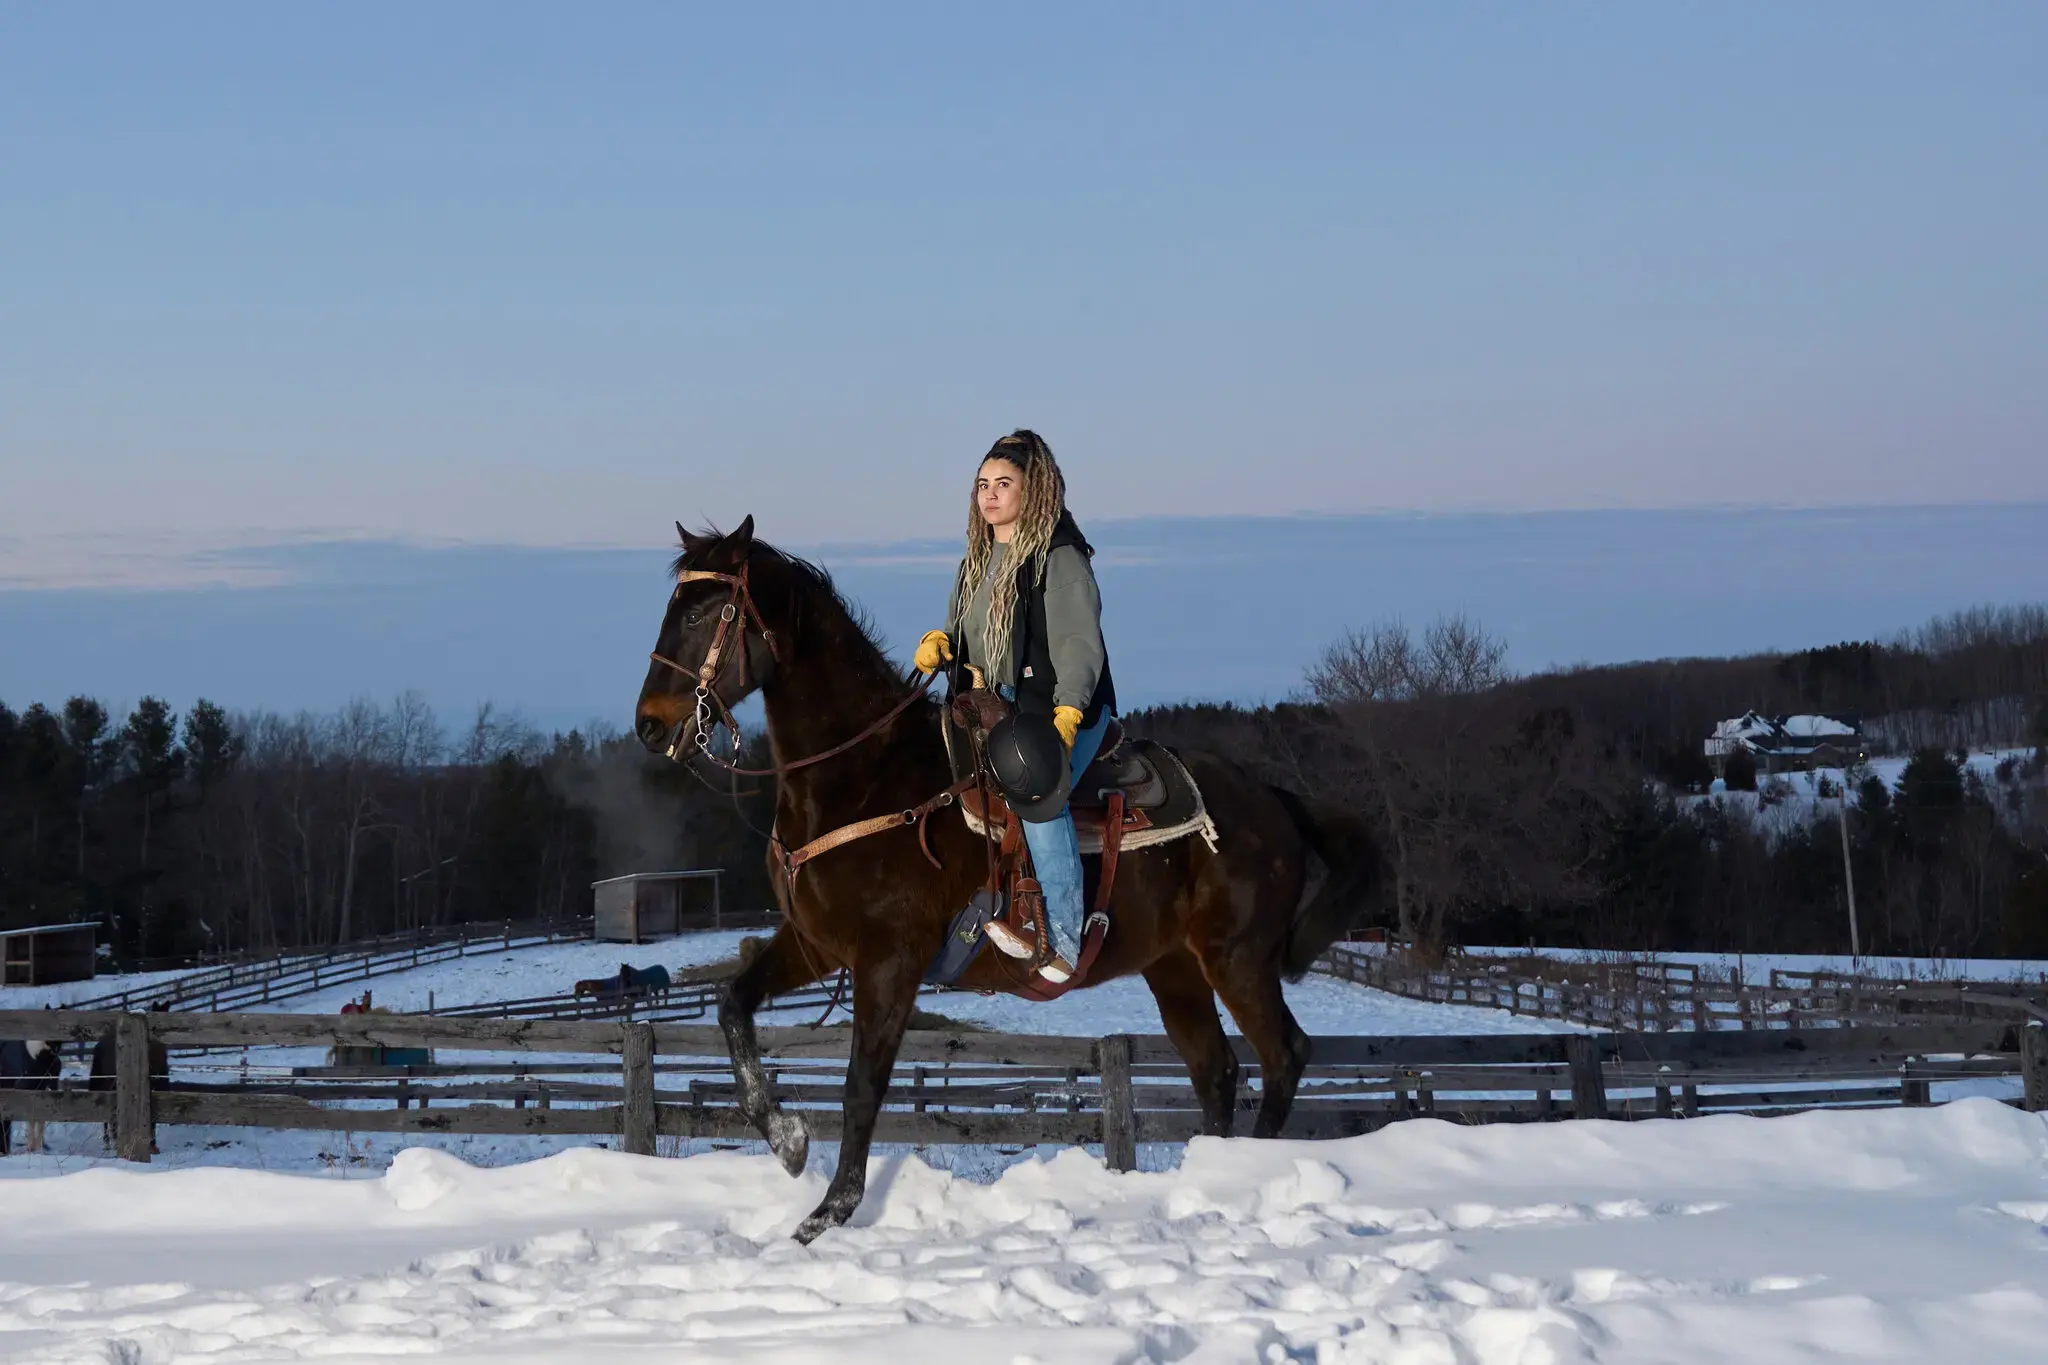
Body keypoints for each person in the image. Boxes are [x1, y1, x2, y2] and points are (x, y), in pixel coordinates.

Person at [915, 430, 1117, 982]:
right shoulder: (976, 561)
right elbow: (972, 638)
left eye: (1004, 484)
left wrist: (1069, 713)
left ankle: (1062, 941)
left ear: (1034, 492)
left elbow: (1079, 643)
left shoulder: (1059, 556)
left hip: (1055, 708)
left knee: (1037, 795)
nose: (990, 495)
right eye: (983, 485)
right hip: (994, 707)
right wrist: (945, 646)